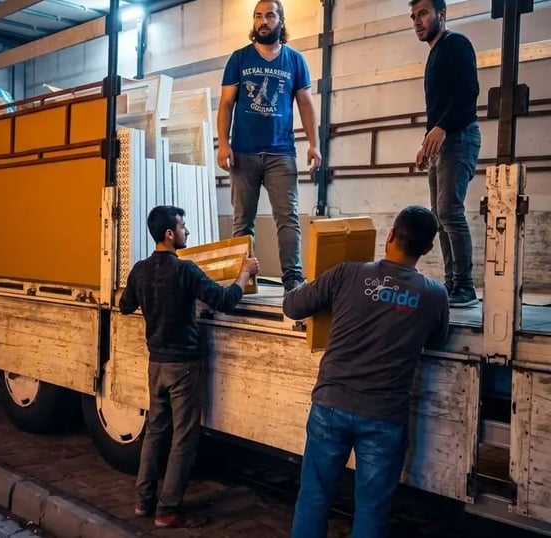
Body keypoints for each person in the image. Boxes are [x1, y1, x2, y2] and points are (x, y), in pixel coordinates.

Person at [283, 206, 450, 538]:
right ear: (428, 248)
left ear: (390, 235)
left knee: (314, 496)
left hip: (330, 406)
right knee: (372, 508)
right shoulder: (434, 294)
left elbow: (293, 306)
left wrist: (302, 285)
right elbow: (437, 340)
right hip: (384, 416)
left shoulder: (348, 274)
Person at [119, 205, 259, 529]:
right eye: (183, 227)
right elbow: (224, 300)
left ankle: (143, 501)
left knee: (155, 433)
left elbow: (125, 306)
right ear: (170, 234)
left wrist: (151, 302)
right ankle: (168, 510)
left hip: (156, 364)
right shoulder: (185, 270)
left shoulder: (140, 270)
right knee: (183, 438)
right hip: (182, 366)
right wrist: (244, 273)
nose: (187, 232)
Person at [217, 0, 321, 293]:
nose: (263, 21)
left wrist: (314, 145)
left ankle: (293, 279)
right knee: (242, 222)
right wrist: (223, 144)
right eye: (258, 16)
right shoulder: (239, 59)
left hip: (281, 153)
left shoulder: (295, 60)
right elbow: (226, 103)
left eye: (270, 16)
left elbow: (306, 104)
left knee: (288, 219)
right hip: (243, 153)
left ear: (281, 21)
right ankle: (243, 281)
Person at [411, 0, 481, 307]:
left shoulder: (456, 44)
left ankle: (465, 286)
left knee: (450, 211)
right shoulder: (435, 53)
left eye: (423, 14)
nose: (417, 21)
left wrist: (442, 129)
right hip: (442, 140)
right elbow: (438, 107)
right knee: (439, 216)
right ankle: (453, 284)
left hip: (460, 136)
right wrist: (426, 142)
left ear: (442, 14)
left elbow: (468, 93)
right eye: (413, 16)